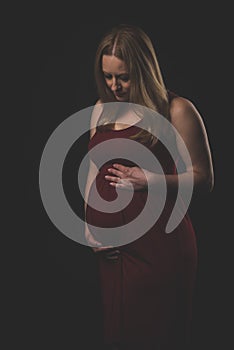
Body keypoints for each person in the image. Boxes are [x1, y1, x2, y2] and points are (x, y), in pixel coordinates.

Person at [84, 24, 214, 350]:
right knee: (119, 337)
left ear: (143, 69)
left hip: (160, 247)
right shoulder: (101, 108)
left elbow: (204, 178)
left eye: (123, 77)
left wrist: (150, 180)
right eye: (108, 76)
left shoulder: (177, 110)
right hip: (113, 252)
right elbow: (93, 168)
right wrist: (89, 226)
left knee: (157, 337)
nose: (114, 85)